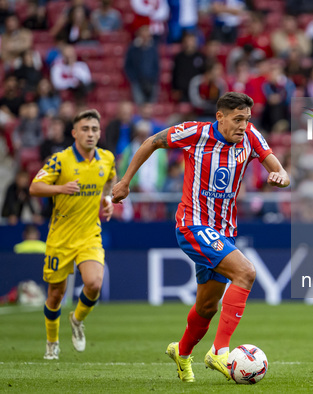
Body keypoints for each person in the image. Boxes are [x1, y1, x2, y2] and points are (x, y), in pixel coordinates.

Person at [111, 92, 289, 382]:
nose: (243, 125)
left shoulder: (252, 137)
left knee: (207, 307)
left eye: (247, 119)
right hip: (192, 225)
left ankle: (181, 354)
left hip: (223, 232)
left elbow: (280, 170)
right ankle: (219, 351)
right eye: (237, 119)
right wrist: (124, 181)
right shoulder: (195, 132)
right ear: (220, 117)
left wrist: (281, 176)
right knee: (246, 273)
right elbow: (151, 142)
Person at [29, 109, 116, 360]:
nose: (91, 134)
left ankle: (77, 320)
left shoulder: (107, 158)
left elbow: (110, 180)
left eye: (95, 129)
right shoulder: (60, 160)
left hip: (89, 233)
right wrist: (60, 188)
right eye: (86, 129)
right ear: (74, 133)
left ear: (100, 133)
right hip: (61, 237)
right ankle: (52, 342)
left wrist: (107, 199)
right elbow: (35, 186)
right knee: (55, 294)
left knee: (94, 283)